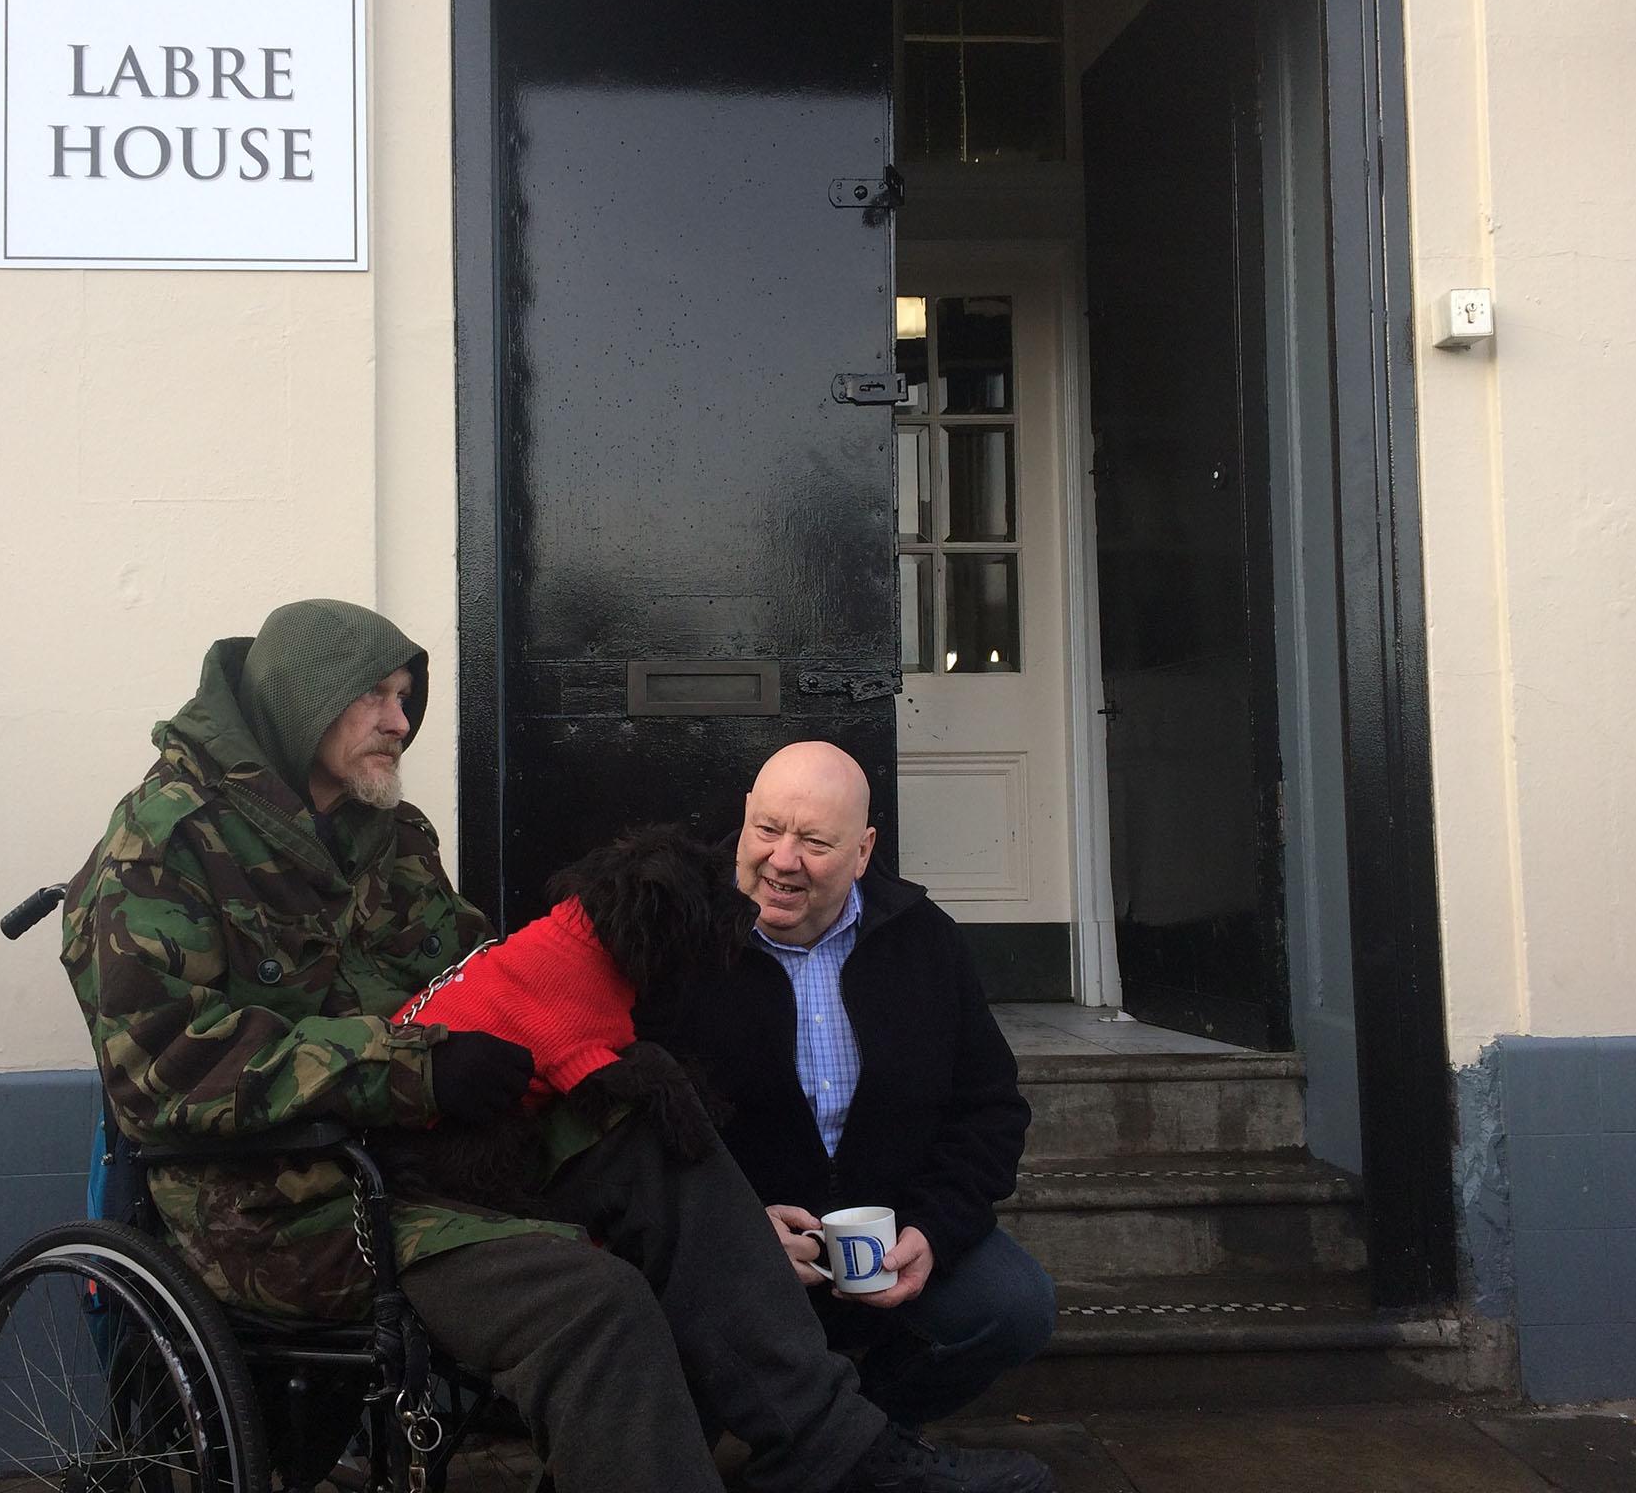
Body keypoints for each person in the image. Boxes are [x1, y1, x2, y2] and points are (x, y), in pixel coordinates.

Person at [61, 599, 1055, 1493]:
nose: (401, 721)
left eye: (405, 698)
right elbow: (166, 1072)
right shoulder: (163, 851)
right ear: (300, 699)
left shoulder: (385, 835)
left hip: (434, 1157)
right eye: (377, 698)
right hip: (296, 1205)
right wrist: (403, 1067)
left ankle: (836, 1456)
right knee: (595, 1300)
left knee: (654, 1130)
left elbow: (469, 973)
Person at [669, 741, 1057, 1430]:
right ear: (745, 818)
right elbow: (626, 1122)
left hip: (887, 1243)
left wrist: (933, 1230)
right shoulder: (678, 939)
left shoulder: (926, 943)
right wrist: (730, 1229)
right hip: (733, 1244)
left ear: (863, 850)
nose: (783, 860)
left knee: (1015, 1305)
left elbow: (991, 1111)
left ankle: (852, 1445)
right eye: (767, 830)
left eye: (815, 842)